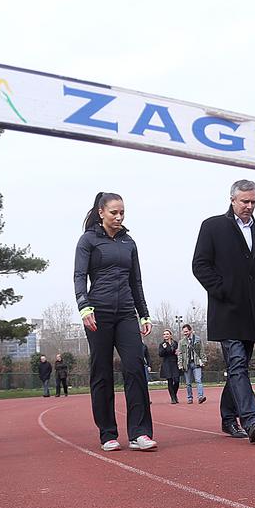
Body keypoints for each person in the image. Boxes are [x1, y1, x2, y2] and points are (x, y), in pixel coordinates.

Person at [74, 191, 156, 451]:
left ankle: (139, 433)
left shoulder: (128, 243)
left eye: (122, 212)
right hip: (99, 313)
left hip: (126, 314)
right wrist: (84, 306)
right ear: (101, 212)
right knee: (102, 373)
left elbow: (137, 281)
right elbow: (79, 276)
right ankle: (107, 433)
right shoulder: (88, 241)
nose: (119, 217)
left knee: (135, 368)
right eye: (114, 212)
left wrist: (143, 312)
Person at [191, 179, 255, 443]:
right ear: (232, 199)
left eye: (253, 202)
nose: (249, 206)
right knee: (236, 364)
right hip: (226, 310)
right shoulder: (213, 226)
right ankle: (251, 420)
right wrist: (222, 290)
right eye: (244, 201)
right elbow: (200, 265)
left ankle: (227, 418)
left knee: (240, 367)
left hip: (251, 312)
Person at [179, 323, 206, 404]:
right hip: (186, 364)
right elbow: (180, 354)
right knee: (188, 383)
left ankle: (200, 397)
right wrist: (180, 364)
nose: (185, 333)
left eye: (186, 331)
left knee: (198, 380)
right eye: (184, 332)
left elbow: (202, 351)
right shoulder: (181, 342)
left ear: (190, 331)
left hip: (196, 363)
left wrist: (203, 361)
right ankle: (190, 398)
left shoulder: (198, 339)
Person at [158, 329, 181, 404]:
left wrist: (178, 353)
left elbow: (178, 351)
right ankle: (173, 398)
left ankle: (174, 394)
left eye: (167, 334)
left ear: (170, 335)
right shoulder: (162, 344)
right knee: (170, 380)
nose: (166, 335)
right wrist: (164, 348)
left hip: (174, 363)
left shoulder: (175, 343)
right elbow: (160, 354)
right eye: (164, 334)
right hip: (167, 363)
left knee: (177, 380)